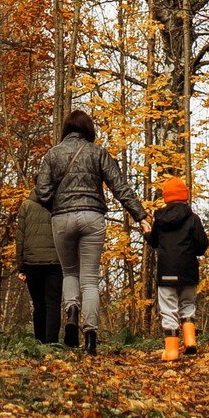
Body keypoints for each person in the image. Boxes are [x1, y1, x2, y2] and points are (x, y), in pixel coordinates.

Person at [32, 107, 147, 352]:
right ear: (88, 129)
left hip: (62, 219)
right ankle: (91, 336)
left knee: (70, 272)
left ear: (66, 130)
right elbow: (120, 186)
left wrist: (59, 205)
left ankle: (72, 311)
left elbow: (42, 191)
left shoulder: (53, 155)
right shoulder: (98, 153)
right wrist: (141, 215)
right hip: (92, 217)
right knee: (90, 280)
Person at [147, 175, 209, 363]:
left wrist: (146, 232)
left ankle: (172, 350)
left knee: (168, 310)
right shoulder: (193, 219)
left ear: (166, 197)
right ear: (185, 196)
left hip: (166, 273)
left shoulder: (159, 219)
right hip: (188, 272)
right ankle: (190, 341)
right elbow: (202, 245)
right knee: (187, 305)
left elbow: (154, 242)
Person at [14, 190, 63, 344]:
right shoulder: (60, 203)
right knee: (53, 303)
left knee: (39, 304)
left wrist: (20, 266)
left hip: (32, 262)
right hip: (55, 261)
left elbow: (19, 237)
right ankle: (52, 343)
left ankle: (39, 343)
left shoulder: (26, 205)